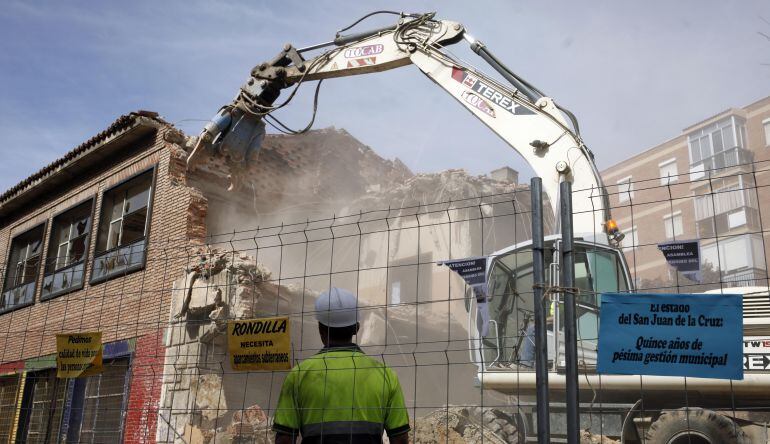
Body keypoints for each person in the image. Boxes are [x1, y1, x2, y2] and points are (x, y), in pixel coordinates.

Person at [273, 287, 411, 444]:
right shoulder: (386, 375)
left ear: (320, 329)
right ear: (357, 328)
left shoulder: (298, 375)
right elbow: (400, 438)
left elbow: (284, 439)